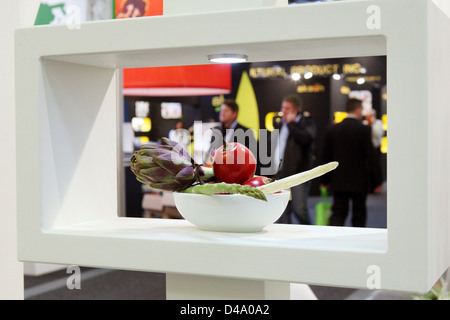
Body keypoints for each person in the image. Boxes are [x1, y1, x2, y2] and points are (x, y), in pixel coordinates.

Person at [320, 98, 382, 227]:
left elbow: (325, 156)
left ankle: (333, 244)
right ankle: (357, 244)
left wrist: (324, 180)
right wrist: (378, 180)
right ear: (358, 109)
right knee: (359, 214)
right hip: (359, 181)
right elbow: (371, 157)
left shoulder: (333, 129)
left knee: (338, 213)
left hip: (338, 180)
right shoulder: (364, 130)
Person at [274, 94, 316, 225]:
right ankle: (284, 240)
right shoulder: (281, 124)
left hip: (299, 175)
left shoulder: (306, 122)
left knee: (299, 210)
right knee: (282, 212)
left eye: (287, 108)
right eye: (283, 107)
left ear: (296, 110)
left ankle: (311, 235)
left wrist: (291, 125)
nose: (284, 111)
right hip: (282, 173)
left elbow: (307, 139)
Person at [363, 109, 384, 193]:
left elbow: (377, 135)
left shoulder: (378, 123)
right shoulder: (364, 123)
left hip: (375, 148)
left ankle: (377, 184)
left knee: (376, 167)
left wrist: (371, 124)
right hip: (366, 149)